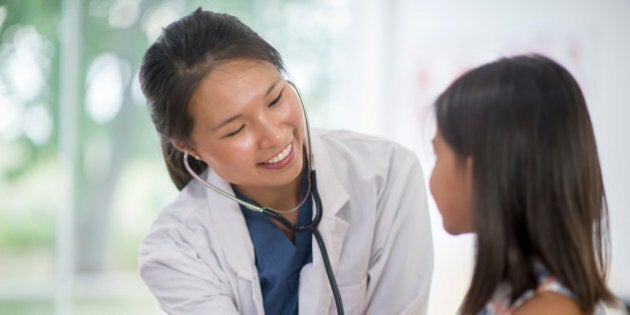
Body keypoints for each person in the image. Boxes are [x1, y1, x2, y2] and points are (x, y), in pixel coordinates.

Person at [137, 8, 433, 315]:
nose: (275, 136)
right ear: (190, 148)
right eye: (237, 129)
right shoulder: (175, 247)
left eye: (276, 99)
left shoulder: (386, 175)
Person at [429, 54, 619, 314]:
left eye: (437, 155)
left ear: (478, 174)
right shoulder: (516, 293)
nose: (432, 174)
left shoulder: (548, 309)